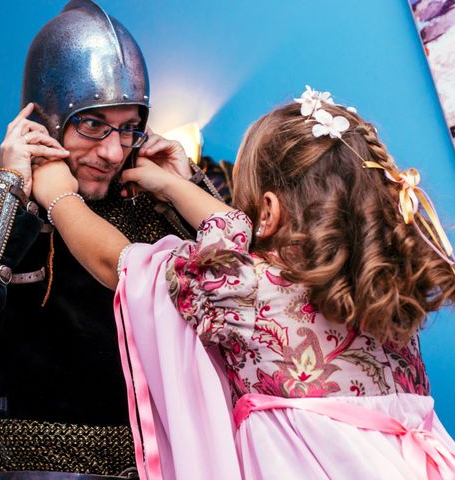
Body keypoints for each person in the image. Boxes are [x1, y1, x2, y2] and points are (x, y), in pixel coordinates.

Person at [31, 86, 455, 479]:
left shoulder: (246, 290)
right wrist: (176, 185)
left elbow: (120, 265)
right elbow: (231, 224)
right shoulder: (386, 289)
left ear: (267, 212)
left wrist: (57, 197)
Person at [0, 1, 222, 479]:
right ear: (44, 117)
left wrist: (186, 191)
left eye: (127, 128)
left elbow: (255, 309)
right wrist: (6, 197)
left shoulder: (152, 193)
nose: (111, 151)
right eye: (93, 124)